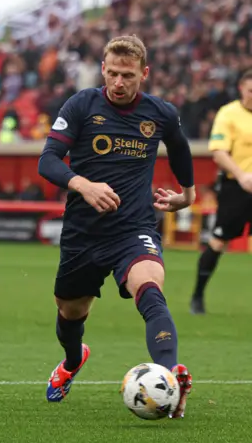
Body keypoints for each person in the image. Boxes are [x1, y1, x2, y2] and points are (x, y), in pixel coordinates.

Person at [37, 35, 194, 418]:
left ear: (144, 73)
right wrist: (82, 184)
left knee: (150, 287)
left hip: (134, 228)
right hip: (83, 233)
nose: (118, 83)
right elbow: (48, 160)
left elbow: (179, 147)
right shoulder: (81, 105)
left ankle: (169, 377)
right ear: (103, 69)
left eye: (127, 75)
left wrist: (188, 194)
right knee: (70, 311)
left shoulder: (160, 113)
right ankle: (73, 361)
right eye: (112, 73)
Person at [190, 69, 252, 314]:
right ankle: (197, 295)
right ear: (241, 89)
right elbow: (218, 152)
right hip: (235, 187)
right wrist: (241, 176)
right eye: (250, 91)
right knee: (219, 240)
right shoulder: (229, 114)